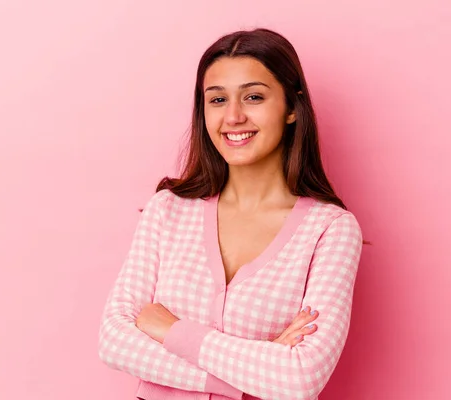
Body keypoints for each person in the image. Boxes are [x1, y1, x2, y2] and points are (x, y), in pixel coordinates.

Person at [98, 28, 364, 400]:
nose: (234, 116)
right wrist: (255, 369)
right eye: (217, 99)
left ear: (291, 107)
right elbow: (115, 340)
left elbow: (300, 378)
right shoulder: (168, 210)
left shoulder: (330, 231)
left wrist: (172, 331)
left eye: (253, 96)